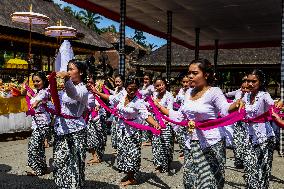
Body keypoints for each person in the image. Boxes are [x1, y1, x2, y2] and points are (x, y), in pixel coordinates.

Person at [156, 59, 244, 188]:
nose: (190, 76)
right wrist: (158, 107)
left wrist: (235, 105)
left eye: (195, 73)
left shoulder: (214, 92)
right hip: (191, 141)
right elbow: (180, 116)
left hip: (211, 142)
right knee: (190, 180)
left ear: (206, 75)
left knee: (209, 181)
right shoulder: (188, 93)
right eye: (189, 73)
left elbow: (225, 109)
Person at [90, 75, 160, 187]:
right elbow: (110, 98)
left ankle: (133, 177)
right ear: (126, 88)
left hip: (133, 131)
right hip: (121, 128)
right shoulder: (122, 95)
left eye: (134, 89)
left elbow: (146, 115)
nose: (132, 92)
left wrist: (156, 124)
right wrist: (97, 93)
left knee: (132, 154)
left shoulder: (139, 101)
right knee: (123, 153)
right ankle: (128, 173)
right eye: (130, 89)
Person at [242, 69, 281, 189]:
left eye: (254, 81)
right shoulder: (246, 96)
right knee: (249, 166)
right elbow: (238, 109)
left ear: (261, 82)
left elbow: (273, 106)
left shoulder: (264, 95)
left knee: (262, 168)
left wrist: (277, 108)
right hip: (249, 135)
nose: (250, 84)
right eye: (248, 81)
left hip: (264, 137)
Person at [53, 59, 89, 188]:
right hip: (61, 128)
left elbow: (73, 94)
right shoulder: (64, 89)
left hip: (76, 131)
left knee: (74, 163)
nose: (68, 72)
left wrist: (66, 79)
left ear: (81, 72)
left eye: (71, 69)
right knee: (59, 160)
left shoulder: (83, 90)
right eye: (68, 69)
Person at [24, 71, 51, 176]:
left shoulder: (45, 91)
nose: (35, 83)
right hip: (36, 122)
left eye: (38, 81)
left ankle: (38, 169)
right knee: (38, 146)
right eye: (34, 81)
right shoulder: (36, 91)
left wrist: (34, 102)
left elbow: (39, 100)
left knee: (34, 146)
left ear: (44, 81)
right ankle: (42, 168)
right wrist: (30, 96)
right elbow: (25, 91)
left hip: (43, 123)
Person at [152, 77, 175, 173]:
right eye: (157, 85)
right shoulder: (154, 95)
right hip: (155, 122)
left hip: (166, 122)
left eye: (161, 84)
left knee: (166, 144)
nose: (160, 87)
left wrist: (164, 120)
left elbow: (170, 110)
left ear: (165, 84)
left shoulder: (169, 96)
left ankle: (166, 164)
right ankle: (158, 164)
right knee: (156, 144)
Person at [86, 76, 107, 165]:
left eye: (91, 82)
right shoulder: (83, 92)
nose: (89, 84)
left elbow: (98, 102)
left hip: (98, 117)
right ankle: (95, 156)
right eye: (87, 82)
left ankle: (98, 156)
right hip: (87, 117)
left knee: (99, 138)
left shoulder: (96, 92)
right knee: (89, 138)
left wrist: (97, 106)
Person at [232, 75, 249, 169]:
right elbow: (228, 95)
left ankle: (246, 161)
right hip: (237, 121)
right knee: (237, 140)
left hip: (248, 122)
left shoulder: (252, 96)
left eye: (246, 88)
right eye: (243, 87)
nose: (244, 89)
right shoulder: (238, 93)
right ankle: (238, 160)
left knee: (246, 141)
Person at [174, 75, 191, 160]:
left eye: (187, 82)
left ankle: (187, 151)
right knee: (180, 134)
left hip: (189, 117)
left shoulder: (193, 91)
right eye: (183, 82)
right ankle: (183, 149)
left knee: (188, 134)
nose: (185, 84)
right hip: (181, 116)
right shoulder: (180, 91)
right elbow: (176, 102)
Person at [109, 75, 127, 154]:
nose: (117, 83)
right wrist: (108, 89)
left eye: (119, 82)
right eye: (116, 82)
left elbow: (115, 98)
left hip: (121, 115)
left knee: (120, 132)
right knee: (114, 131)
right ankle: (117, 148)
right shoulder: (116, 89)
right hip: (115, 114)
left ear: (123, 82)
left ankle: (121, 149)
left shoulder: (124, 92)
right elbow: (114, 95)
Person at [139, 73, 155, 146]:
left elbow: (154, 96)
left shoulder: (151, 87)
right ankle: (146, 138)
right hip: (142, 106)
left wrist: (149, 103)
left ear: (150, 80)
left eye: (147, 79)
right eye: (144, 79)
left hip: (149, 106)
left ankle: (149, 139)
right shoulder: (143, 87)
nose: (145, 80)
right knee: (143, 122)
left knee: (149, 122)